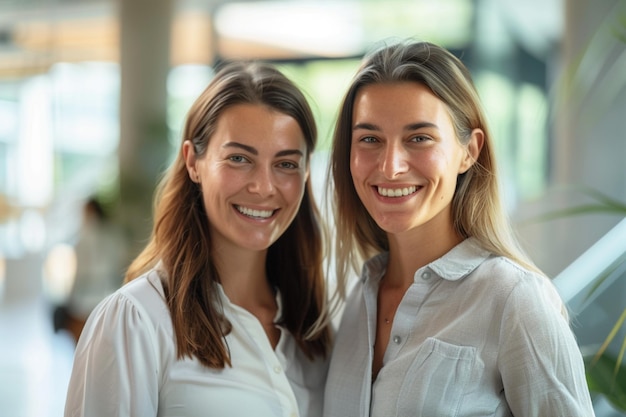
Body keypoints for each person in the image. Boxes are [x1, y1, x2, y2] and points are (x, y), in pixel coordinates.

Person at [323, 40, 595, 417]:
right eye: (370, 139)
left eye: (419, 138)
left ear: (469, 151)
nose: (390, 166)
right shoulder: (357, 298)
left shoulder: (514, 300)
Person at [64, 61, 332, 417]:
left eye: (285, 164)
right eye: (239, 158)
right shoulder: (137, 320)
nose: (264, 187)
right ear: (193, 162)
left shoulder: (315, 325)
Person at [52, 196, 125, 344]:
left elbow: (80, 275)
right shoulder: (114, 236)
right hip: (109, 298)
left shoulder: (83, 240)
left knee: (83, 346)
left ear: (90, 212)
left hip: (84, 303)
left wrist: (69, 298)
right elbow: (119, 266)